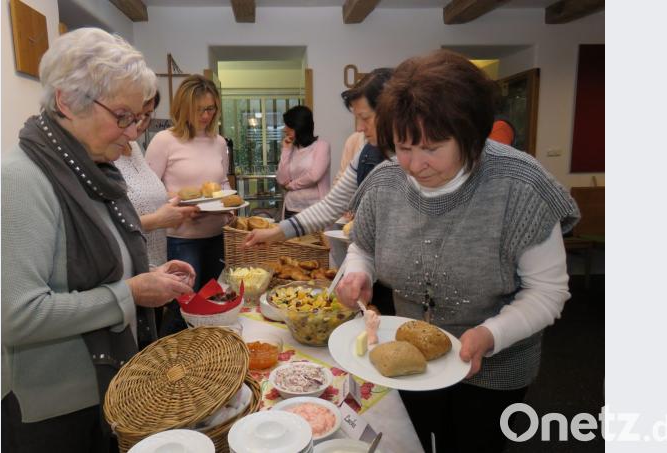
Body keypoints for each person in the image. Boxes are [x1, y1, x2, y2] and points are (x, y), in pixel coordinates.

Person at [335, 50, 580, 453]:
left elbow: (548, 292)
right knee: (412, 441)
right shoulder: (386, 180)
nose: (414, 164)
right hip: (408, 359)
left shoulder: (519, 185)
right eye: (403, 146)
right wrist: (358, 271)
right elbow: (363, 244)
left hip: (494, 371)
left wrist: (490, 334)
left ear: (471, 134)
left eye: (431, 147)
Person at [2, 28, 196, 452]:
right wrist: (128, 293)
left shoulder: (90, 171)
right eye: (122, 116)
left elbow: (96, 270)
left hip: (105, 390)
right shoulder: (21, 180)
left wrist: (148, 277)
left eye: (138, 119)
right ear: (67, 102)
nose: (132, 134)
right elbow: (17, 316)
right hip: (56, 415)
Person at [243, 69, 396, 315]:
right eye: (356, 118)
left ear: (392, 111)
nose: (358, 128)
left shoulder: (415, 160)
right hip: (373, 276)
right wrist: (274, 233)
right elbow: (331, 205)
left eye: (365, 118)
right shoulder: (367, 153)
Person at [112, 90, 199, 336]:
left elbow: (145, 198)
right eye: (132, 116)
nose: (138, 125)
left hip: (154, 261)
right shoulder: (106, 153)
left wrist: (174, 206)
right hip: (129, 274)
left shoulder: (134, 147)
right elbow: (108, 224)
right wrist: (159, 220)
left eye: (147, 116)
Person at [145, 75, 231, 292]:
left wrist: (230, 208)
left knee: (214, 297)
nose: (206, 116)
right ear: (183, 108)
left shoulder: (219, 142)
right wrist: (182, 202)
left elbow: (222, 182)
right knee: (182, 304)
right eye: (199, 109)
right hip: (182, 238)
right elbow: (148, 190)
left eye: (211, 109)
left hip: (217, 234)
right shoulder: (164, 140)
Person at [276, 105, 331, 219]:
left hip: (315, 209)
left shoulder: (321, 146)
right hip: (291, 208)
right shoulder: (291, 148)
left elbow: (314, 176)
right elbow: (281, 180)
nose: (285, 129)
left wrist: (291, 185)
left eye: (289, 126)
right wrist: (285, 150)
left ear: (300, 127)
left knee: (314, 238)